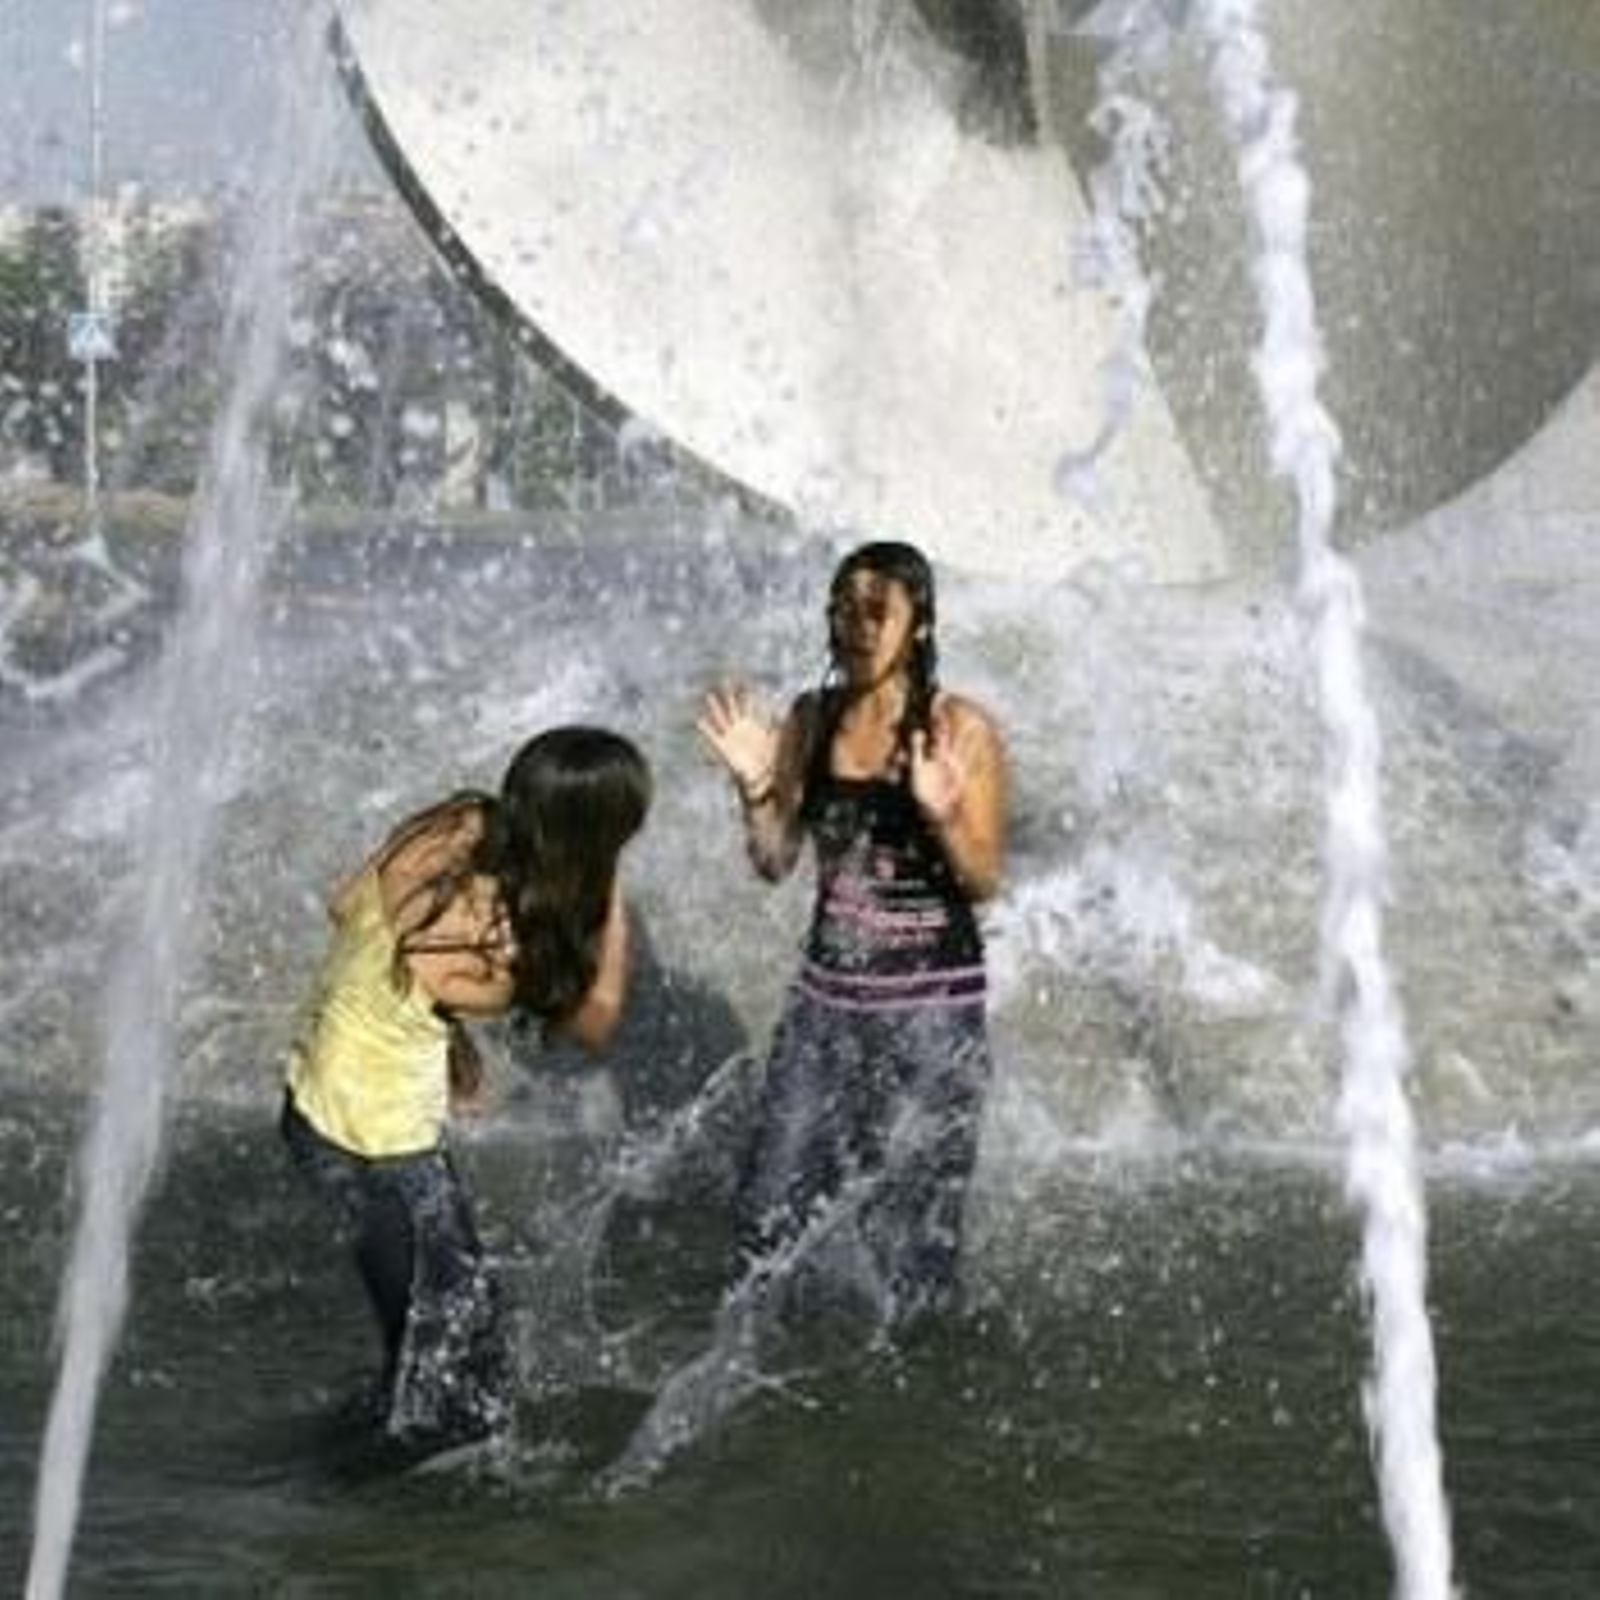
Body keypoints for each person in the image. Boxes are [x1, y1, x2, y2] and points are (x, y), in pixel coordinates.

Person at [280, 726, 651, 1447]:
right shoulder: (511, 938)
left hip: (312, 1108)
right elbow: (597, 1020)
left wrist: (432, 1026)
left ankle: (358, 1455)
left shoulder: (454, 826)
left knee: (450, 1337)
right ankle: (364, 1508)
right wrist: (608, 888)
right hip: (375, 1144)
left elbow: (345, 904)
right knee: (451, 1373)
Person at [697, 539, 1007, 1323]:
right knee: (767, 1204)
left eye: (878, 610)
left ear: (920, 625)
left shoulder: (958, 728)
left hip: (934, 1011)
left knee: (919, 1231)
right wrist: (756, 787)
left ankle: (922, 1375)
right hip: (826, 1007)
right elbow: (776, 860)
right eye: (843, 607)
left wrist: (940, 817)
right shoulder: (813, 717)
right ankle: (761, 1367)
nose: (856, 624)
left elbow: (982, 881)